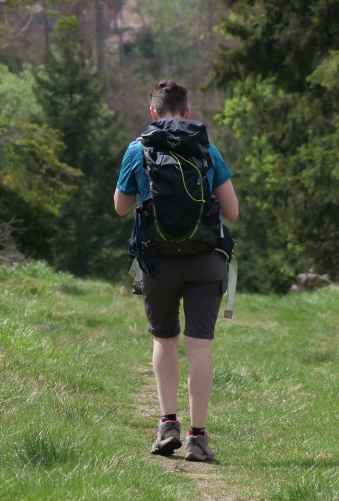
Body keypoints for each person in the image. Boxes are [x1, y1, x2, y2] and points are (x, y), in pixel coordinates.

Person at [113, 80, 239, 462]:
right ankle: (198, 438)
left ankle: (167, 424)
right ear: (187, 112)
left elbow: (120, 207)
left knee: (164, 340)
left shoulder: (138, 149)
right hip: (205, 260)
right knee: (198, 345)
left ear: (152, 113)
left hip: (157, 262)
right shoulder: (206, 148)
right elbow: (232, 211)